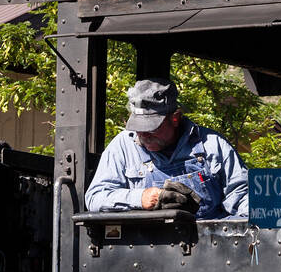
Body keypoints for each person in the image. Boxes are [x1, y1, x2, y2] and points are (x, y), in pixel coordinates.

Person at [85, 78, 249, 219]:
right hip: (146, 247)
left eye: (151, 128)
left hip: (208, 243)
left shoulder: (212, 145)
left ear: (175, 118)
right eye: (138, 127)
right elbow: (95, 197)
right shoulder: (122, 146)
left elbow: (242, 197)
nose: (143, 135)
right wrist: (141, 198)